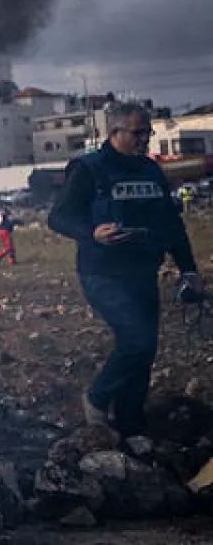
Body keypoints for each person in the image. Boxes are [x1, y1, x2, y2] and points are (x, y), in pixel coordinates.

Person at [48, 103, 202, 449]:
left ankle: (131, 427)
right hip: (103, 273)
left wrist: (188, 269)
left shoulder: (150, 170)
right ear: (114, 132)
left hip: (143, 271)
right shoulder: (89, 169)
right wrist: (92, 232)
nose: (145, 139)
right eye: (138, 133)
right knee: (137, 340)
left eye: (147, 132)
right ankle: (98, 399)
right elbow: (58, 217)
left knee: (144, 352)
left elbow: (171, 224)